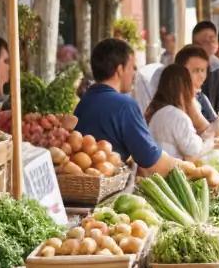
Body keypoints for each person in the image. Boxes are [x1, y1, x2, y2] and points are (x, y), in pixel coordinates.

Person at [75, 39, 178, 175]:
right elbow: (152, 163)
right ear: (120, 70)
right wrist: (191, 169)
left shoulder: (84, 101)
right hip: (111, 191)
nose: (135, 73)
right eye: (132, 67)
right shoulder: (124, 105)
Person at [146, 49, 216, 159]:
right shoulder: (177, 116)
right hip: (171, 171)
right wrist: (209, 141)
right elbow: (194, 150)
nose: (201, 76)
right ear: (185, 87)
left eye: (203, 70)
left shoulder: (159, 111)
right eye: (196, 71)